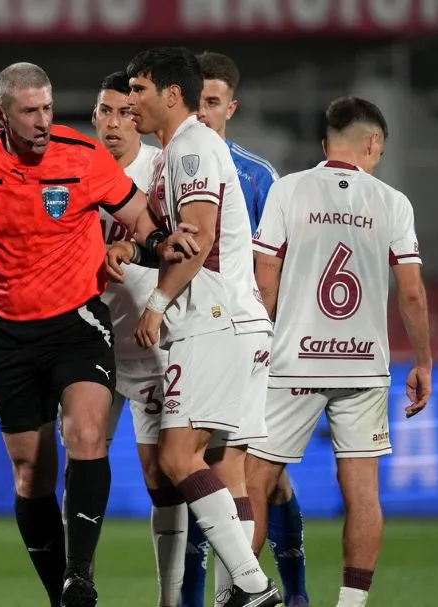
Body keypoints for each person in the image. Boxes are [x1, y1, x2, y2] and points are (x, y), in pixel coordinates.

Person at [0, 61, 193, 607]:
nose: (41, 121)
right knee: (31, 474)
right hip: (9, 333)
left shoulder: (82, 156)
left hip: (78, 322)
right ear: (1, 114)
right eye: (29, 111)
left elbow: (142, 224)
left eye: (48, 109)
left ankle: (80, 576)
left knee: (86, 436)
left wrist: (161, 245)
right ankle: (62, 594)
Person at [245, 97, 432, 607]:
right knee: (362, 489)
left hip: (295, 362)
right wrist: (423, 361)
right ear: (372, 144)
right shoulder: (392, 202)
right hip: (365, 366)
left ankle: (241, 589)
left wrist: (263, 344)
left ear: (326, 145)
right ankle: (351, 604)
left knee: (253, 479)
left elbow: (265, 281)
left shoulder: (288, 190)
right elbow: (412, 291)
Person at [125, 46, 280, 607]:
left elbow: (199, 238)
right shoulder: (181, 150)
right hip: (234, 322)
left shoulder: (190, 148)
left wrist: (156, 303)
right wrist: (139, 252)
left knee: (175, 457)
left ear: (170, 94)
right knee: (218, 465)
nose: (130, 101)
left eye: (138, 89)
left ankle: (254, 587)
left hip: (213, 321)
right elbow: (179, 240)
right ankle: (237, 593)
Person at [191, 51, 307, 607]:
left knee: (249, 472)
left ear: (231, 107)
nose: (203, 113)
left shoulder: (258, 176)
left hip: (245, 339)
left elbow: (276, 265)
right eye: (196, 101)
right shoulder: (170, 161)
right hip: (187, 337)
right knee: (206, 470)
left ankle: (264, 592)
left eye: (213, 102)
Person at [89, 71, 191, 606]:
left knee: (162, 476)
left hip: (155, 345)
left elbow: (189, 248)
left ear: (139, 118)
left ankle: (170, 598)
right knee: (84, 465)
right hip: (91, 347)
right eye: (103, 112)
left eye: (123, 112)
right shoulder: (76, 171)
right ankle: (76, 583)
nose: (112, 123)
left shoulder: (161, 171)